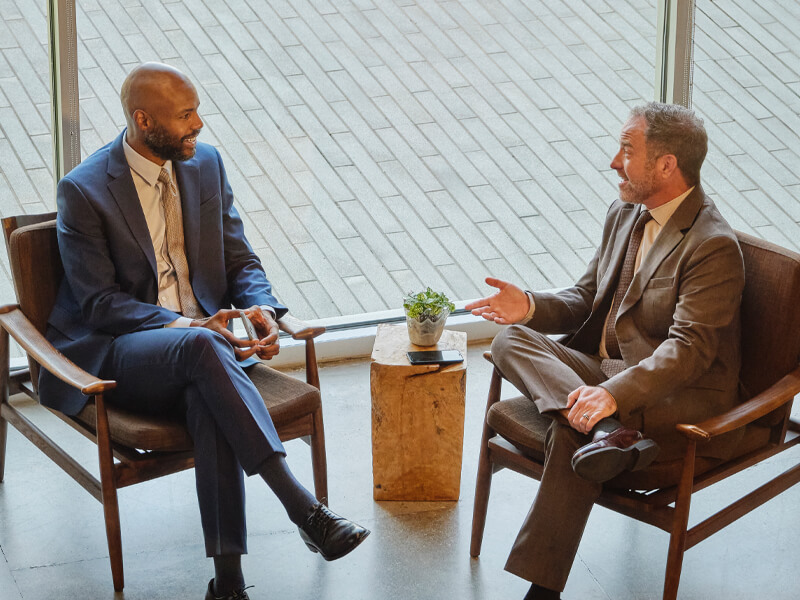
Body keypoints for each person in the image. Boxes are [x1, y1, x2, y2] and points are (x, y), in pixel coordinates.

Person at [40, 62, 369, 600]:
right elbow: (100, 305)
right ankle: (302, 508)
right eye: (186, 115)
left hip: (205, 356)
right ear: (144, 120)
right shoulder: (84, 191)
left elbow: (240, 259)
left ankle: (229, 584)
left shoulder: (206, 165)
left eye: (197, 110)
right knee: (201, 344)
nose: (199, 124)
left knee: (206, 396)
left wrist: (261, 308)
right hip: (123, 352)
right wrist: (191, 324)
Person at [465, 102, 745, 600]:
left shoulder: (711, 245)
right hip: (601, 370)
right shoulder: (625, 212)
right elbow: (585, 298)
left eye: (627, 150)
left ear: (666, 165)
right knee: (511, 339)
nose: (614, 162)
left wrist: (611, 393)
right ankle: (612, 434)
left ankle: (542, 590)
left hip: (669, 391)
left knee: (569, 432)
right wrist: (528, 306)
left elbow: (689, 351)